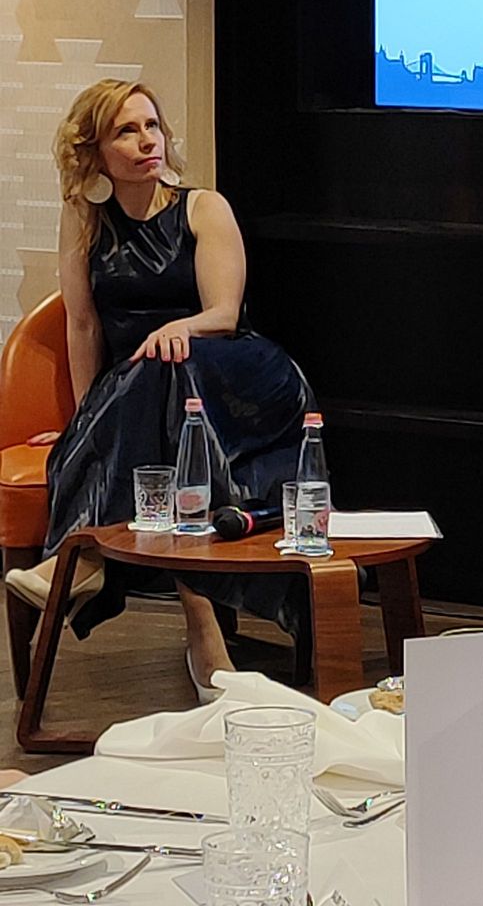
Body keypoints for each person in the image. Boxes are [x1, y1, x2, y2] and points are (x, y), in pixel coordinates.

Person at [3, 81, 311, 698]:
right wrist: (90, 422)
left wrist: (178, 329)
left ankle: (83, 557)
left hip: (236, 381)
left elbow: (222, 314)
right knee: (159, 389)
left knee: (171, 364)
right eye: (126, 131)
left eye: (152, 126)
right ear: (94, 150)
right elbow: (83, 324)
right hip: (149, 393)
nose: (148, 141)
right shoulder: (86, 218)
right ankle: (203, 631)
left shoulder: (203, 208)